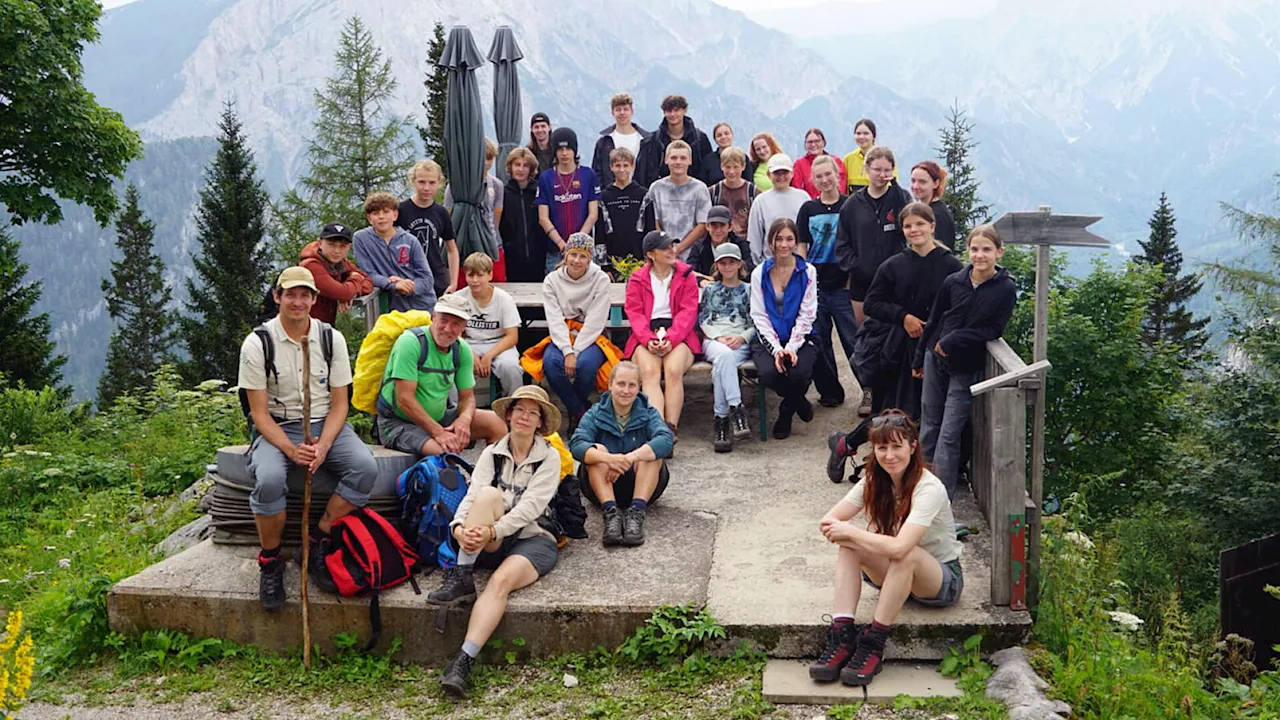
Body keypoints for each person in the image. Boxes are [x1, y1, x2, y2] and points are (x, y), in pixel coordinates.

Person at [238, 267, 377, 613]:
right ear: (277, 298)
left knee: (364, 468)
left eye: (305, 295)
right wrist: (290, 449)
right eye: (290, 295)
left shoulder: (331, 339)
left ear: (315, 299)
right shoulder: (258, 343)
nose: (298, 302)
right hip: (278, 426)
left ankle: (318, 538)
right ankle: (270, 561)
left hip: (325, 423)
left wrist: (324, 445)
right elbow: (258, 413)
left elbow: (340, 403)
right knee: (269, 479)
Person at [811, 410, 965, 688]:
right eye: (882, 448)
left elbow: (900, 547)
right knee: (850, 545)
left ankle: (873, 643)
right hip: (895, 572)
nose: (889, 455)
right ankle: (842, 635)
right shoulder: (873, 480)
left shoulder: (928, 487)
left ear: (913, 446)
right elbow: (829, 521)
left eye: (897, 446)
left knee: (902, 552)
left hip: (940, 579)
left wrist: (853, 532)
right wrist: (847, 534)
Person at [430, 385, 563, 697]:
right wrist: (460, 527)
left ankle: (463, 661)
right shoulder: (491, 453)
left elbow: (531, 508)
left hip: (533, 537)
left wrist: (492, 531)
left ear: (541, 422)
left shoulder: (550, 458)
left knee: (499, 583)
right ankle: (461, 575)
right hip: (491, 536)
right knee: (488, 493)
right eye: (520, 410)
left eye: (533, 412)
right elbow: (473, 494)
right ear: (509, 414)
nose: (525, 417)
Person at [825, 204, 964, 482]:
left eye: (919, 224)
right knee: (897, 412)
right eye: (909, 226)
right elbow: (873, 303)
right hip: (898, 348)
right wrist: (904, 317)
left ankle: (858, 449)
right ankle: (853, 448)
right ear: (903, 230)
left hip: (934, 347)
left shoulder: (950, 265)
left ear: (932, 226)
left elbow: (957, 307)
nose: (914, 230)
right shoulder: (893, 265)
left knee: (920, 411)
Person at [913, 225, 1016, 499]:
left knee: (949, 432)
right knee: (929, 425)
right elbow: (934, 320)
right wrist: (919, 356)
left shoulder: (1005, 288)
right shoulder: (954, 282)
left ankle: (939, 498)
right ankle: (916, 488)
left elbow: (993, 330)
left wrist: (955, 338)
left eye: (986, 249)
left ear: (999, 252)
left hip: (966, 366)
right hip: (935, 360)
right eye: (974, 249)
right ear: (967, 250)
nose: (979, 255)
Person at [374, 293, 507, 457]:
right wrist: (438, 432)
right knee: (445, 453)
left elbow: (467, 397)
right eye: (444, 320)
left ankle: (489, 478)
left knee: (497, 423)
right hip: (398, 423)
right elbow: (404, 400)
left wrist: (464, 419)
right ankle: (450, 479)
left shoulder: (461, 349)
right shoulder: (410, 343)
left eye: (456, 324)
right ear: (433, 317)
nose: (448, 329)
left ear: (464, 327)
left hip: (441, 418)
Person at [570, 361, 673, 547]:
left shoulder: (648, 411)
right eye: (621, 384)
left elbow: (666, 439)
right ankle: (610, 514)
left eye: (632, 385)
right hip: (602, 484)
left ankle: (636, 513)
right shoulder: (595, 413)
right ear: (610, 385)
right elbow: (576, 444)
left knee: (653, 454)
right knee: (596, 450)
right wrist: (609, 459)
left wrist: (630, 458)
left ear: (639, 388)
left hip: (642, 483)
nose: (626, 390)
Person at [624, 230, 701, 440]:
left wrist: (671, 338)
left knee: (673, 370)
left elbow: (688, 312)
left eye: (672, 246)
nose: (671, 250)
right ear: (651, 254)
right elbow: (634, 313)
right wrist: (648, 339)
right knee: (649, 372)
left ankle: (671, 427)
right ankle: (658, 431)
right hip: (646, 334)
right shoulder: (637, 279)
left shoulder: (687, 276)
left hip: (679, 334)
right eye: (665, 247)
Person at [750, 218, 819, 440]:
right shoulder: (759, 273)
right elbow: (758, 315)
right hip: (768, 338)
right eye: (778, 239)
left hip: (800, 336)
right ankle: (798, 400)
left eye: (789, 239)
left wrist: (791, 348)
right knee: (769, 372)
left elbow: (807, 314)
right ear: (771, 242)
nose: (783, 244)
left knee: (800, 372)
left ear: (796, 242)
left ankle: (786, 412)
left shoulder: (808, 271)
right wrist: (777, 350)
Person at [797, 155, 854, 408]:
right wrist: (804, 278)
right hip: (816, 285)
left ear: (837, 175)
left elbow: (858, 244)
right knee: (819, 342)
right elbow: (802, 246)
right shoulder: (808, 209)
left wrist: (853, 278)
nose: (824, 180)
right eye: (818, 176)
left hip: (844, 285)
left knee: (853, 340)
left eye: (827, 174)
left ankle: (870, 389)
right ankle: (830, 391)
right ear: (813, 180)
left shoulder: (851, 206)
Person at [539, 233, 614, 422]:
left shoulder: (600, 279)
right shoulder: (552, 280)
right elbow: (554, 319)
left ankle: (575, 414)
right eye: (573, 255)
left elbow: (596, 320)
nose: (577, 261)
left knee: (586, 366)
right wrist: (567, 351)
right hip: (562, 333)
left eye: (583, 256)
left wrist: (577, 350)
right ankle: (580, 413)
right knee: (551, 365)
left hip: (591, 335)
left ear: (589, 259)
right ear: (565, 255)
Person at [699, 242, 755, 452]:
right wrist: (718, 337)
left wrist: (742, 338)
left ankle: (721, 421)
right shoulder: (710, 289)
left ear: (740, 264)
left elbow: (756, 321)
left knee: (722, 366)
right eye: (723, 263)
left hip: (739, 341)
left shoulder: (749, 290)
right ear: (717, 265)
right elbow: (703, 320)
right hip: (714, 340)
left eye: (732, 262)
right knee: (723, 355)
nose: (728, 266)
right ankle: (737, 408)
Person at [353, 192, 437, 312]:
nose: (381, 217)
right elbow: (368, 273)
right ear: (369, 218)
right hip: (392, 311)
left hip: (422, 306)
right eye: (376, 213)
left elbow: (427, 278)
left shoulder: (410, 240)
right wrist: (392, 284)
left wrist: (408, 287)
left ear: (395, 215)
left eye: (386, 212)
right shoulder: (361, 239)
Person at [455, 253, 524, 398]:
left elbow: (512, 336)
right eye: (470, 276)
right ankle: (457, 406)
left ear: (490, 275)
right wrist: (470, 354)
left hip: (499, 342)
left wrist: (489, 356)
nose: (475, 281)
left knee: (510, 367)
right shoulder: (459, 298)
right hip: (469, 343)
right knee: (453, 364)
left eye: (480, 275)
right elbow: (455, 334)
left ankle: (513, 402)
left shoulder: (504, 299)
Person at [537, 127, 601, 274]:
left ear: (575, 150)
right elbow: (543, 218)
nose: (564, 153)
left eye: (568, 148)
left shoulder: (588, 175)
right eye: (560, 149)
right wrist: (561, 244)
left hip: (584, 250)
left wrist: (576, 243)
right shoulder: (546, 178)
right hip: (555, 250)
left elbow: (593, 214)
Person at [444, 138, 506, 286]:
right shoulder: (455, 186)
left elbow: (496, 216)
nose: (486, 162)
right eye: (482, 158)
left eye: (490, 158)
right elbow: (448, 214)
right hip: (464, 246)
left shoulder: (497, 185)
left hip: (492, 245)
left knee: (496, 287)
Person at [397, 160, 459, 299]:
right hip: (407, 279)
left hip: (436, 279)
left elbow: (452, 249)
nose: (426, 188)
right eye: (421, 182)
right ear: (413, 182)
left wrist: (453, 282)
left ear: (439, 183)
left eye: (431, 183)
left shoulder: (441, 212)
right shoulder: (401, 210)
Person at [639, 140, 711, 261]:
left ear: (690, 160)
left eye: (683, 158)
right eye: (674, 158)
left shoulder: (700, 189)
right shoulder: (656, 188)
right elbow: (654, 221)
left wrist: (679, 248)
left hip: (693, 256)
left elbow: (703, 225)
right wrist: (666, 247)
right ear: (666, 160)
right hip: (662, 255)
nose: (678, 162)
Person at [298, 222, 373, 324]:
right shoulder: (311, 265)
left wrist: (351, 293)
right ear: (320, 243)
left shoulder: (340, 262)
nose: (337, 251)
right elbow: (344, 292)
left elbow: (368, 282)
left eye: (342, 246)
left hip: (321, 326)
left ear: (349, 247)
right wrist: (354, 282)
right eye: (331, 245)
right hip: (299, 325)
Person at [635, 94, 715, 186]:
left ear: (684, 111)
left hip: (693, 193)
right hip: (660, 193)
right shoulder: (651, 141)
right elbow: (641, 174)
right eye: (669, 111)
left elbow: (709, 168)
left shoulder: (700, 139)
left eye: (676, 110)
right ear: (664, 112)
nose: (673, 114)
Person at [747, 154, 808, 265]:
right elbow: (754, 237)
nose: (781, 177)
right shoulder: (760, 201)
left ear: (792, 174)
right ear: (768, 175)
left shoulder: (803, 197)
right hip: (769, 264)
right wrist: (759, 266)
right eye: (776, 173)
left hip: (798, 265)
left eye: (785, 173)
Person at [498, 147, 547, 282]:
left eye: (525, 165)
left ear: (531, 169)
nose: (521, 169)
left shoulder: (539, 191)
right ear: (510, 166)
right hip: (512, 257)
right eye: (517, 165)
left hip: (538, 256)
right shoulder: (503, 193)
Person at [600, 147, 653, 265]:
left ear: (633, 166)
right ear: (611, 167)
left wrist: (649, 260)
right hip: (611, 259)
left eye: (626, 165)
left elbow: (650, 228)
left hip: (639, 260)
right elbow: (600, 232)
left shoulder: (644, 195)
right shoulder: (603, 197)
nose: (622, 169)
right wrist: (603, 265)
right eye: (618, 165)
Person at [591, 92, 650, 188]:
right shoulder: (604, 141)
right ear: (612, 113)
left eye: (625, 109)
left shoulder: (645, 140)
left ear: (632, 111)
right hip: (610, 195)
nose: (622, 113)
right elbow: (597, 172)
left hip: (640, 194)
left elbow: (651, 171)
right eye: (618, 110)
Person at [690, 205, 753, 280]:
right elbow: (689, 272)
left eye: (722, 225)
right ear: (707, 226)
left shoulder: (741, 244)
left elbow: (749, 271)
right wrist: (701, 281)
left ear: (730, 227)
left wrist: (712, 279)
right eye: (714, 225)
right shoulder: (699, 246)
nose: (718, 230)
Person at [708, 146, 757, 239]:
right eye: (728, 167)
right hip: (720, 243)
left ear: (743, 166)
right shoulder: (713, 192)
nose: (731, 171)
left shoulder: (753, 192)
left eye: (736, 167)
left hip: (745, 243)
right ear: (721, 166)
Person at [909, 161, 957, 251]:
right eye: (913, 181)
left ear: (935, 184)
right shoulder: (927, 210)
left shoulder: (938, 215)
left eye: (922, 182)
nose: (915, 186)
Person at [842, 119, 897, 195]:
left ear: (873, 136)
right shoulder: (848, 159)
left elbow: (891, 185)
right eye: (858, 133)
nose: (861, 137)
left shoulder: (885, 158)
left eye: (866, 133)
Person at [792, 128, 848, 199]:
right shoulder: (799, 164)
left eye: (817, 141)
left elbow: (841, 187)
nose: (813, 144)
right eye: (810, 142)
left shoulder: (836, 162)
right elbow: (797, 190)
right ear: (805, 145)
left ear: (823, 142)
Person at [703, 121, 735, 186]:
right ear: (715, 139)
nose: (723, 137)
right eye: (719, 135)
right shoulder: (708, 160)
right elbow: (703, 184)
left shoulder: (742, 157)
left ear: (732, 135)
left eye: (726, 133)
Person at [526, 112, 555, 176]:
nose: (540, 130)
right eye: (536, 127)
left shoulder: (557, 151)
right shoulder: (527, 153)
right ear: (531, 129)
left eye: (543, 126)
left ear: (549, 127)